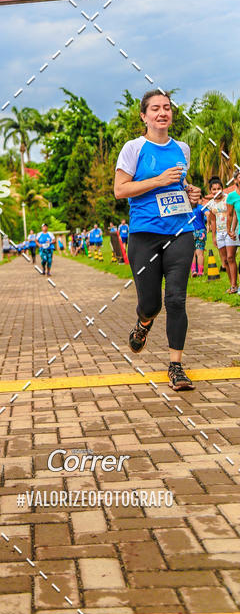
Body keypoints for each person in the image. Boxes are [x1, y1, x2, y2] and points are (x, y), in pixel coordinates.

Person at [114, 89, 200, 391]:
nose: (162, 113)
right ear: (144, 115)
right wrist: (157, 181)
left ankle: (176, 367)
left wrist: (191, 194)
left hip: (180, 232)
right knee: (150, 304)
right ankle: (144, 322)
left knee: (176, 299)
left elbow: (181, 184)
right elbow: (120, 190)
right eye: (155, 109)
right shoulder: (134, 148)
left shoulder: (183, 149)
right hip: (144, 235)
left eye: (166, 108)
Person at [206, 176, 237, 292]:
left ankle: (234, 285)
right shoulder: (210, 204)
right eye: (213, 189)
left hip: (230, 231)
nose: (216, 191)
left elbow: (233, 214)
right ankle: (232, 285)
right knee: (224, 261)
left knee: (230, 257)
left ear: (222, 189)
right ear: (210, 191)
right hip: (219, 234)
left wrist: (232, 229)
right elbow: (213, 221)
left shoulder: (228, 198)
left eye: (219, 188)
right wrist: (214, 236)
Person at [226, 172, 240, 290]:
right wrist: (229, 230)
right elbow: (230, 215)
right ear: (236, 180)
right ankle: (236, 286)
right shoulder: (232, 196)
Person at [189, 198, 208, 277]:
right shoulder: (200, 207)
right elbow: (208, 214)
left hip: (191, 231)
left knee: (192, 253)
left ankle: (193, 271)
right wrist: (209, 225)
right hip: (201, 231)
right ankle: (200, 272)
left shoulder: (187, 209)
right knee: (200, 254)